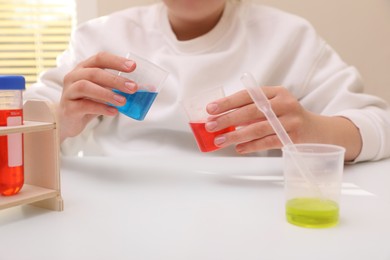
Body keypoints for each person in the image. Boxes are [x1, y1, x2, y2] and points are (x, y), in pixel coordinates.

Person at [24, 0, 390, 162]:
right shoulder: (102, 36)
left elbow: (379, 127)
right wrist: (61, 119)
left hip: (249, 211)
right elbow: (20, 131)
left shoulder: (289, 37)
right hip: (116, 206)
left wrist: (312, 128)